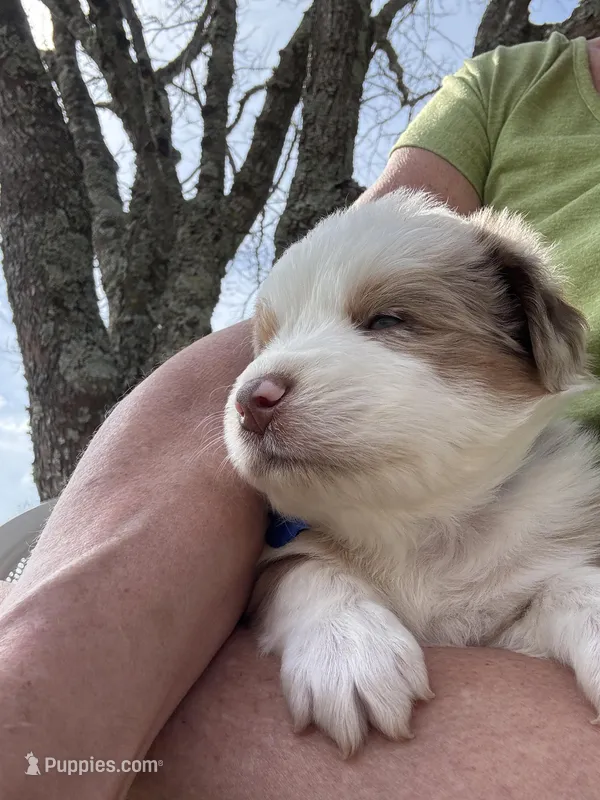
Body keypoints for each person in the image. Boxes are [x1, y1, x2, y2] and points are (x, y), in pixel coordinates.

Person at [0, 31, 599, 800]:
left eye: (384, 322)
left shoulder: (559, 520)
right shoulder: (513, 84)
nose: (261, 386)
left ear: (535, 336)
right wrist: (314, 596)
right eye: (271, 339)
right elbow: (365, 241)